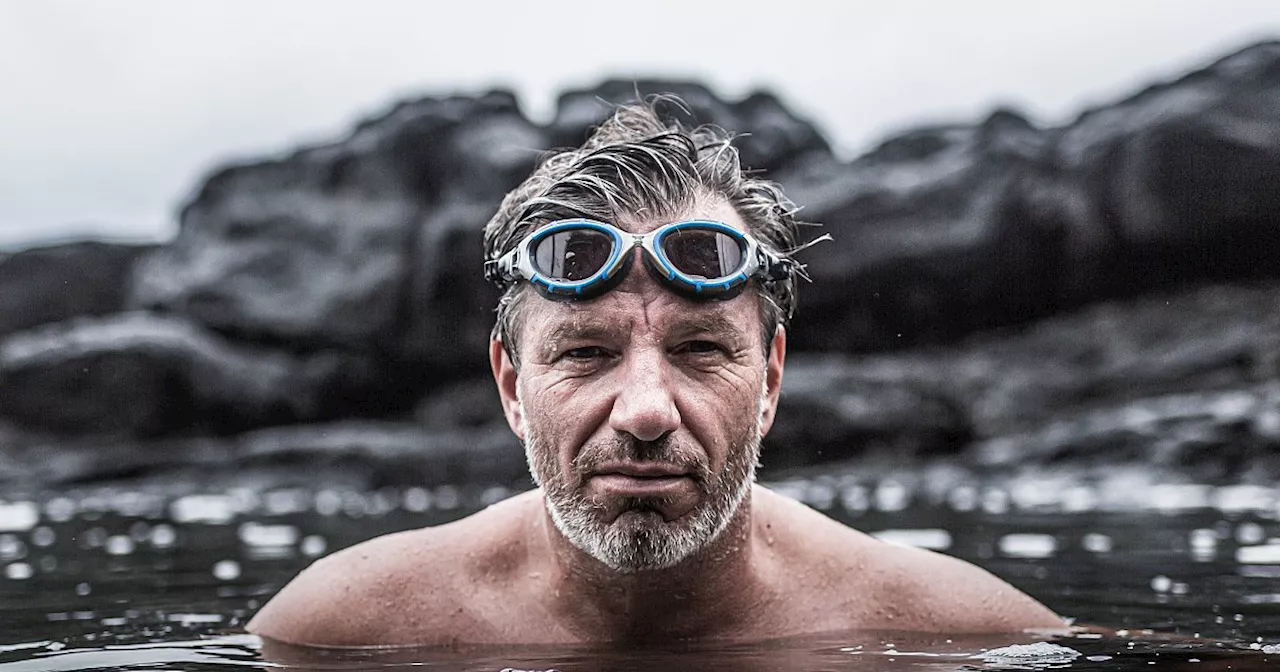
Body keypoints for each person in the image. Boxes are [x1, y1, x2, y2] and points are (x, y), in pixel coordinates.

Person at [246, 99, 1065, 648]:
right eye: (586, 353)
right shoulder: (340, 632)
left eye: (701, 350)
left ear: (772, 380)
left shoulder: (953, 639)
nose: (644, 412)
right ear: (510, 388)